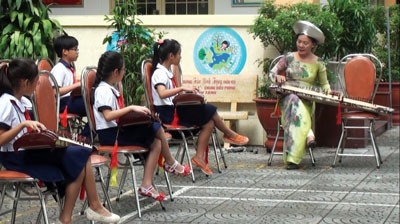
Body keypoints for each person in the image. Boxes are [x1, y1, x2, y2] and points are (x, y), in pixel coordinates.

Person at [0, 59, 120, 224]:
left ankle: (76, 213)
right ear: (25, 82)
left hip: (29, 152)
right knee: (79, 157)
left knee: (79, 154)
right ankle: (89, 208)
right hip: (15, 157)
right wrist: (23, 124)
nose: (37, 86)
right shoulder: (5, 103)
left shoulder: (23, 101)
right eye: (36, 82)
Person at [93, 51, 190, 202]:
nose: (124, 72)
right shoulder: (102, 90)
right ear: (116, 72)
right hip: (110, 135)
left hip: (118, 130)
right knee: (155, 128)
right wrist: (132, 108)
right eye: (124, 69)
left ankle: (147, 184)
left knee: (156, 137)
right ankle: (170, 163)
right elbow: (108, 116)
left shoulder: (110, 88)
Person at [150, 39, 249, 176]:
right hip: (168, 115)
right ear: (171, 56)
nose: (180, 57)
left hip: (174, 110)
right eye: (179, 54)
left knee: (209, 121)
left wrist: (189, 93)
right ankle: (229, 134)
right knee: (210, 109)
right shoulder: (159, 73)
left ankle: (199, 157)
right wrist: (182, 87)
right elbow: (162, 94)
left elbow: (175, 95)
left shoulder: (168, 72)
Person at [269, 20, 331, 170]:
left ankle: (293, 159)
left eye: (305, 43)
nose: (301, 45)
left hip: (308, 102)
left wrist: (329, 92)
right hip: (287, 100)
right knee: (293, 99)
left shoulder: (319, 63)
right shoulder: (289, 58)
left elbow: (324, 84)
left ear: (313, 45)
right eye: (299, 42)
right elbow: (272, 72)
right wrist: (277, 77)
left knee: (298, 106)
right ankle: (308, 136)